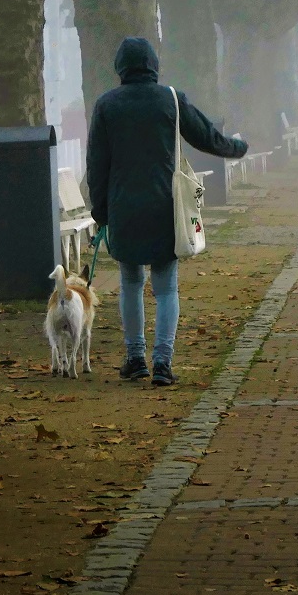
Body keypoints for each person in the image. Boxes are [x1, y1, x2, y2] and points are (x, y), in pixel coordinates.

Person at [86, 37, 247, 387]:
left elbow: (96, 163)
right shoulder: (171, 99)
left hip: (123, 206)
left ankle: (134, 357)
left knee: (130, 282)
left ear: (120, 68)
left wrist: (101, 212)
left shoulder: (106, 105)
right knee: (166, 287)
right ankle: (162, 361)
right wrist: (237, 148)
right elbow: (205, 136)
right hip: (165, 205)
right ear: (153, 65)